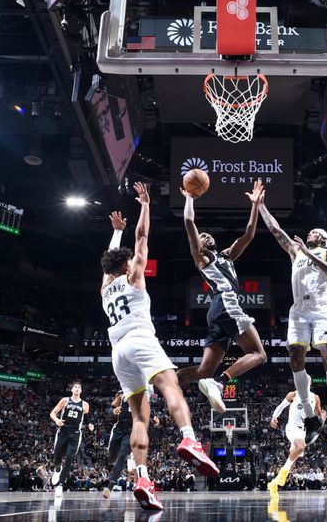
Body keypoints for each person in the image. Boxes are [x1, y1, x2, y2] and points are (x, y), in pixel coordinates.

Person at [101, 182, 218, 511]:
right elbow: (142, 238)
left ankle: (141, 477)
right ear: (125, 265)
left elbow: (110, 261)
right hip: (139, 339)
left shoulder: (105, 287)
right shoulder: (133, 274)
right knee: (171, 384)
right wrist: (145, 206)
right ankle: (189, 438)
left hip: (117, 352)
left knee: (139, 416)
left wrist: (114, 234)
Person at [257, 200, 327, 445]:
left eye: (315, 232)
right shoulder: (296, 251)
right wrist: (261, 205)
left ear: (323, 239)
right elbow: (276, 231)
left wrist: (308, 254)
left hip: (320, 307)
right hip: (298, 310)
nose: (310, 233)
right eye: (310, 233)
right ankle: (310, 417)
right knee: (295, 360)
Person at [175, 182, 267, 413]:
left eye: (207, 235)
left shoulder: (226, 256)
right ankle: (219, 382)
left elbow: (249, 234)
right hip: (226, 304)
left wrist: (255, 205)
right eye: (202, 236)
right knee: (258, 354)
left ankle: (162, 384)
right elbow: (189, 223)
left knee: (203, 371)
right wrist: (189, 198)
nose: (205, 236)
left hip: (217, 312)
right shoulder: (203, 259)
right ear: (200, 246)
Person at [266, 383, 327, 494]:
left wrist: (322, 419)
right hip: (292, 428)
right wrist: (274, 417)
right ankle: (280, 477)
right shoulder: (293, 394)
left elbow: (317, 421)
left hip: (303, 431)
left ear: (308, 384)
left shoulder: (315, 397)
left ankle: (273, 484)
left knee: (292, 463)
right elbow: (281, 406)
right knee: (300, 447)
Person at [104, 389, 160, 497]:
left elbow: (146, 410)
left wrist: (154, 419)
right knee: (112, 457)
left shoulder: (142, 394)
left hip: (131, 430)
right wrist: (113, 411)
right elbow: (111, 407)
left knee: (122, 456)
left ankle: (110, 486)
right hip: (119, 429)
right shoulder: (122, 393)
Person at [49, 380, 95, 496]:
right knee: (57, 454)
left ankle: (60, 484)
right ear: (72, 389)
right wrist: (57, 420)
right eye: (75, 387)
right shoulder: (65, 400)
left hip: (75, 433)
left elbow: (86, 418)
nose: (77, 388)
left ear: (81, 390)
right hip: (63, 431)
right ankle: (57, 469)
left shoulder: (85, 404)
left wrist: (89, 424)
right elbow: (53, 413)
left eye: (79, 387)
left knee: (70, 457)